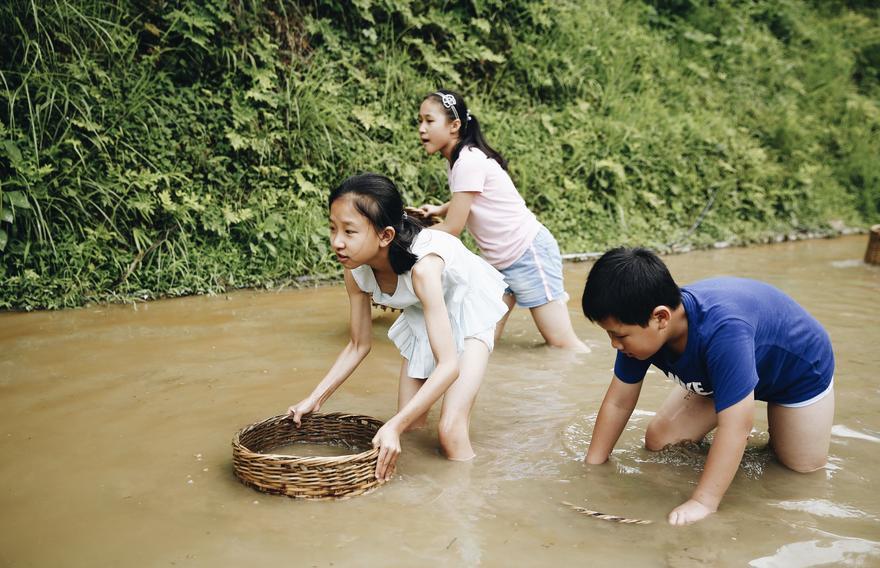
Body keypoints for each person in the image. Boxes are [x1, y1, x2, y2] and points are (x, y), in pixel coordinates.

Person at [580, 247, 835, 525]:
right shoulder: (637, 332)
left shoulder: (722, 331)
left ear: (661, 318)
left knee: (798, 471)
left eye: (618, 335)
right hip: (722, 372)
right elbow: (619, 402)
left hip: (796, 371)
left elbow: (737, 427)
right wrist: (593, 467)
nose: (614, 344)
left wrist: (703, 501)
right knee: (661, 441)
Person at [287, 173, 508, 481]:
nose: (337, 241)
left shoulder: (424, 269)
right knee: (414, 427)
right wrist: (315, 398)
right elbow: (358, 345)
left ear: (386, 235)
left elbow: (448, 366)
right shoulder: (354, 270)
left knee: (449, 430)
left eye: (349, 231)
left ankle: (467, 501)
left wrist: (393, 424)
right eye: (332, 228)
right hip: (424, 311)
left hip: (466, 307)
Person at [415, 89, 588, 352]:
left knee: (563, 344)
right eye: (420, 121)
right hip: (499, 264)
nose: (421, 129)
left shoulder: (468, 161)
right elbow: (473, 196)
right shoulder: (459, 160)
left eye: (429, 121)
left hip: (528, 254)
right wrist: (440, 208)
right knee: (481, 341)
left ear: (454, 126)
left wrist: (408, 240)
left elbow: (452, 229)